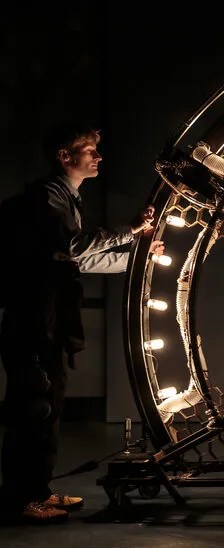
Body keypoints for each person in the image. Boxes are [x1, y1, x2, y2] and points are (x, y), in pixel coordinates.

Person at [0, 120, 163, 524]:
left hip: (49, 319)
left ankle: (37, 491)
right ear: (64, 156)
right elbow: (72, 247)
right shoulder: (47, 196)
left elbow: (77, 260)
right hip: (34, 319)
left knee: (49, 405)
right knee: (33, 407)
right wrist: (131, 232)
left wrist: (136, 255)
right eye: (89, 150)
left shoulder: (66, 198)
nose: (98, 156)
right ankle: (21, 500)